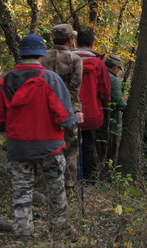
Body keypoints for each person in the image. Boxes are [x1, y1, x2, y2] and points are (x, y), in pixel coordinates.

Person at [0, 34, 77, 242]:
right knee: (56, 187)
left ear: (22, 54)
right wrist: (74, 121)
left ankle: (23, 231)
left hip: (18, 146)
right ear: (40, 55)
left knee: (22, 189)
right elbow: (65, 118)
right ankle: (59, 228)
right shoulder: (51, 79)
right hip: (51, 145)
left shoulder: (7, 79)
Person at [42, 24, 84, 192]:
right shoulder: (75, 59)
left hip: (45, 108)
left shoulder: (42, 56)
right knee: (71, 147)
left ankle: (50, 180)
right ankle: (68, 183)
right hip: (68, 107)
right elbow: (75, 88)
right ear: (70, 40)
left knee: (48, 144)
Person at [72, 31, 111, 182]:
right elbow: (105, 90)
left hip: (69, 111)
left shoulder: (67, 61)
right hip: (91, 111)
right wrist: (106, 106)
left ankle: (72, 176)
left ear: (76, 43)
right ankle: (90, 176)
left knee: (70, 144)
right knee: (88, 143)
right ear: (92, 44)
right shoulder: (99, 64)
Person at [96, 54, 127, 173]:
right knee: (111, 151)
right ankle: (108, 174)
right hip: (111, 121)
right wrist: (127, 108)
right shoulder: (113, 80)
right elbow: (118, 102)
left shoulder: (99, 74)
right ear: (115, 67)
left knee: (98, 149)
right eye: (118, 69)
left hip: (97, 118)